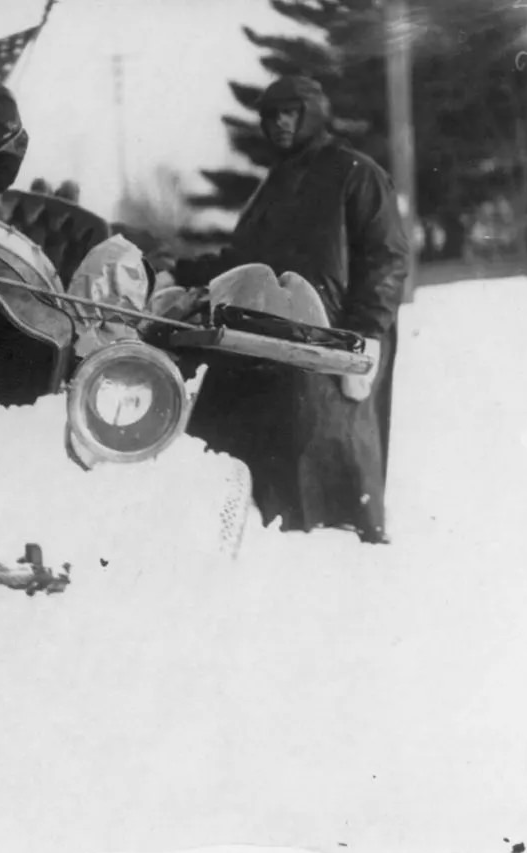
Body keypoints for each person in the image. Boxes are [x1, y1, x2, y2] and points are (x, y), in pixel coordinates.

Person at [171, 75, 410, 543]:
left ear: (314, 113)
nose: (280, 122)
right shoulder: (274, 185)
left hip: (331, 342)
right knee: (237, 455)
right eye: (271, 114)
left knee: (325, 474)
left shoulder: (355, 172)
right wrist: (178, 270)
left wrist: (365, 333)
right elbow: (241, 261)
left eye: (291, 112)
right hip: (268, 339)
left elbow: (388, 257)